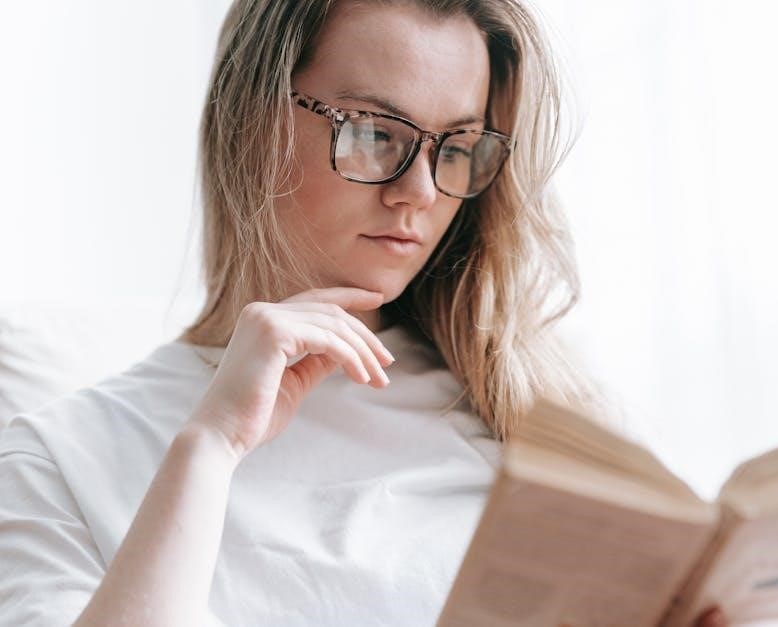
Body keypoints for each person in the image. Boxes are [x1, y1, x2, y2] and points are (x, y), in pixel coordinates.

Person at [0, 0, 726, 625]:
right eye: (375, 133)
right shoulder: (60, 459)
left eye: (457, 147)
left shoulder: (545, 411)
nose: (420, 192)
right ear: (250, 120)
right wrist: (212, 445)